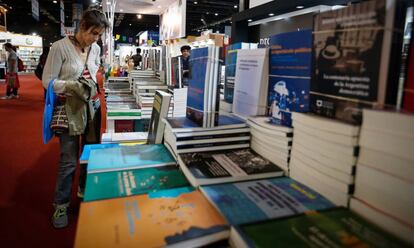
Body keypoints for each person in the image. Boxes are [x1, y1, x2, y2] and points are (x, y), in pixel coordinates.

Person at [42, 9, 109, 229]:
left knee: (89, 155)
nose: (95, 38)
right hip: (69, 109)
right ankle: (60, 204)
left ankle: (83, 190)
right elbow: (48, 81)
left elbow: (95, 71)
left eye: (99, 34)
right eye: (93, 33)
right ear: (82, 27)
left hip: (93, 108)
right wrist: (71, 86)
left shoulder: (96, 48)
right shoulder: (60, 47)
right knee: (68, 160)